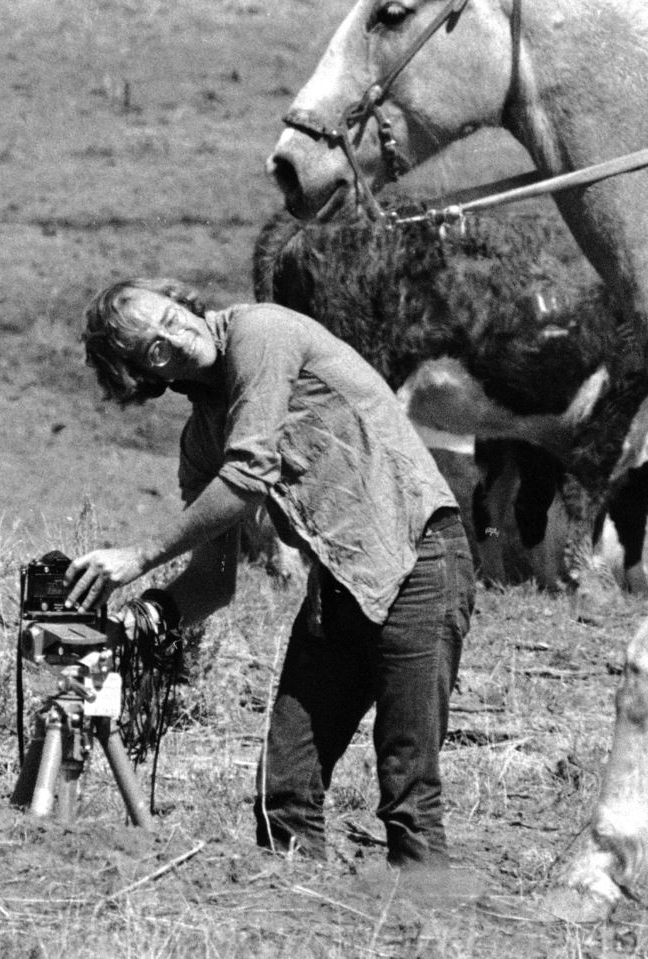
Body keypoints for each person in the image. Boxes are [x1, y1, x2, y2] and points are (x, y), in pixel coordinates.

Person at [65, 276, 475, 868]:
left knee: (407, 786)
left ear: (185, 302)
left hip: (420, 558)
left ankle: (432, 925)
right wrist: (141, 617)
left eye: (172, 317)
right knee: (284, 790)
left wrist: (139, 557)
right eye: (151, 347)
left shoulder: (262, 332)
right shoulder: (202, 438)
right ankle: (298, 919)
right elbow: (214, 579)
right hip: (342, 582)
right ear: (143, 376)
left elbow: (249, 472)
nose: (174, 339)